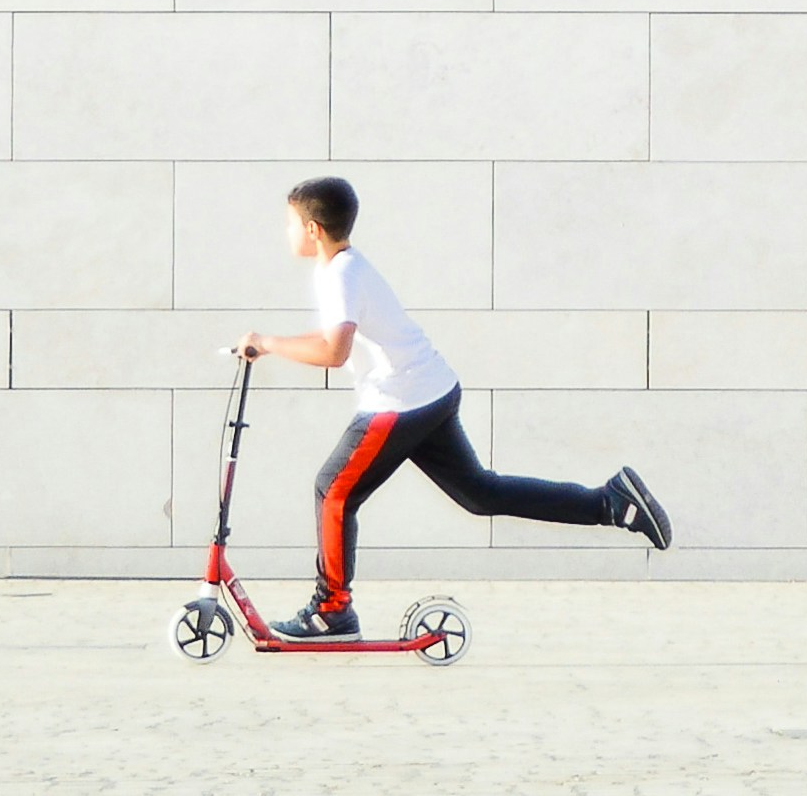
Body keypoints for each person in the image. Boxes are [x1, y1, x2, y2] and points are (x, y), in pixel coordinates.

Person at [227, 173, 671, 633]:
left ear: (313, 229)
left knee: (332, 490)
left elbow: (334, 353)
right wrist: (269, 344)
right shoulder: (348, 267)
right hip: (431, 392)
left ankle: (332, 609)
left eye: (290, 224)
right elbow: (334, 337)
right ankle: (610, 503)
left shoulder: (339, 275)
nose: (286, 232)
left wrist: (270, 342)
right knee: (480, 494)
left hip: (400, 403)